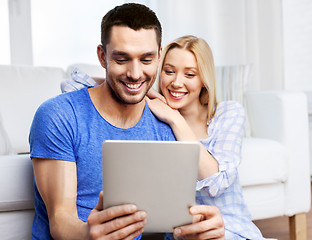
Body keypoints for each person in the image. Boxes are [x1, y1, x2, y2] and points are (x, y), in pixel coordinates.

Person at [29, 3, 225, 240]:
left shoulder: (164, 126)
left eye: (146, 59)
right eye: (122, 59)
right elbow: (60, 221)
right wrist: (90, 233)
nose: (135, 73)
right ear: (103, 57)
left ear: (159, 55)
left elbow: (164, 224)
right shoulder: (59, 115)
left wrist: (198, 232)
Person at [64, 35, 268, 239]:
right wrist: (132, 84)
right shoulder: (154, 114)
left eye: (189, 74)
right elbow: (70, 85)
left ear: (204, 79)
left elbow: (216, 183)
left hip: (227, 229)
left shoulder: (226, 113)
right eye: (169, 72)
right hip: (182, 234)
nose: (176, 83)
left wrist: (175, 119)